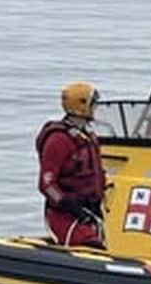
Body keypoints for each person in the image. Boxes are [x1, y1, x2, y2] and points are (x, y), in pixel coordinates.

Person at [36, 81, 107, 248]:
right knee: (91, 247)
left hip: (89, 213)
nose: (96, 109)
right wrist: (71, 207)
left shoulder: (88, 137)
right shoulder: (59, 140)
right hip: (65, 215)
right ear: (83, 106)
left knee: (98, 246)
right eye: (93, 104)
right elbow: (47, 185)